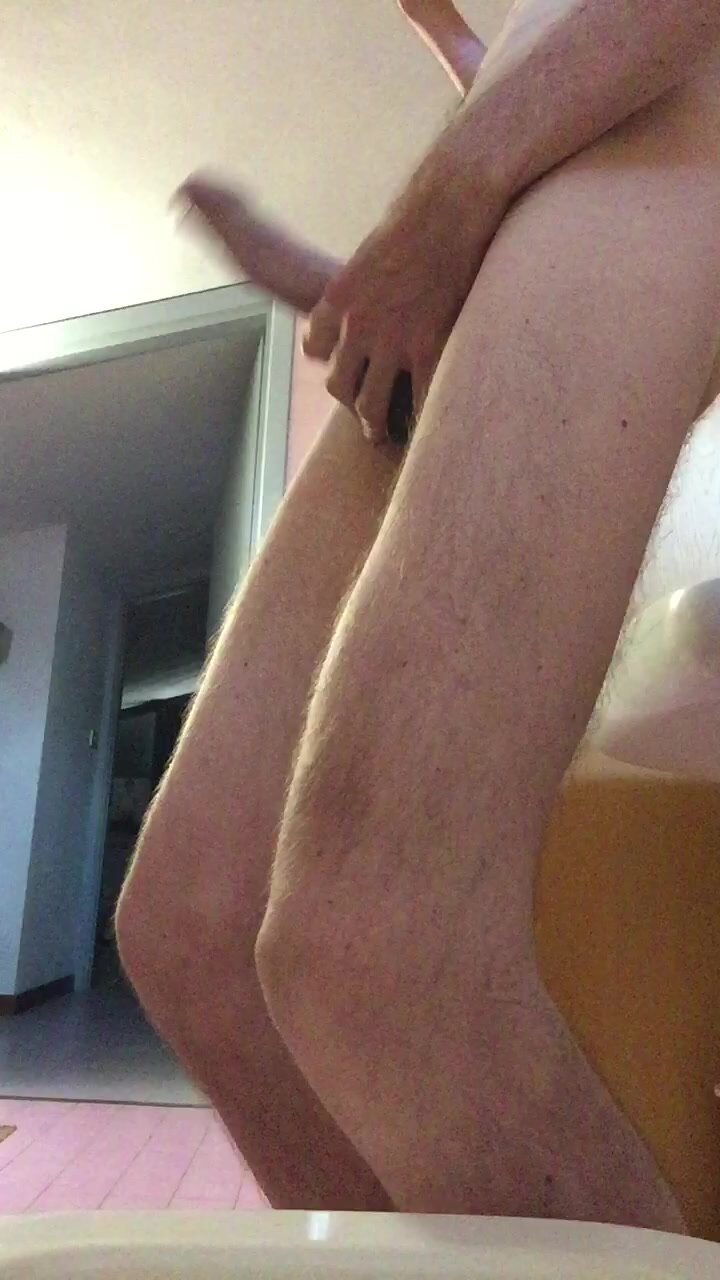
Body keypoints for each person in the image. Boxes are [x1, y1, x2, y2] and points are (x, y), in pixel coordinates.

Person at [117, 0, 720, 1229]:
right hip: (547, 149)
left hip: (663, 100)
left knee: (380, 945)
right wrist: (466, 125)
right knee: (198, 926)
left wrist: (448, 202)